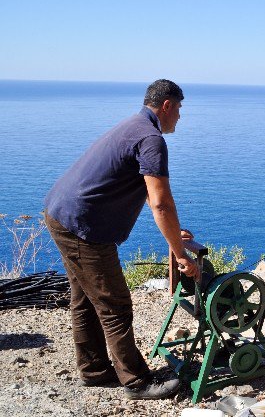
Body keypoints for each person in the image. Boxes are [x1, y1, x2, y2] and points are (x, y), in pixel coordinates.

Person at [44, 79, 199, 400]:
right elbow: (160, 202)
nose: (180, 117)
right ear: (167, 106)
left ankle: (95, 371)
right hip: (83, 227)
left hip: (62, 214)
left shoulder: (134, 126)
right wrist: (180, 252)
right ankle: (138, 382)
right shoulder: (151, 138)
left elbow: (142, 190)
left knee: (86, 298)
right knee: (115, 305)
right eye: (180, 109)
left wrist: (174, 230)